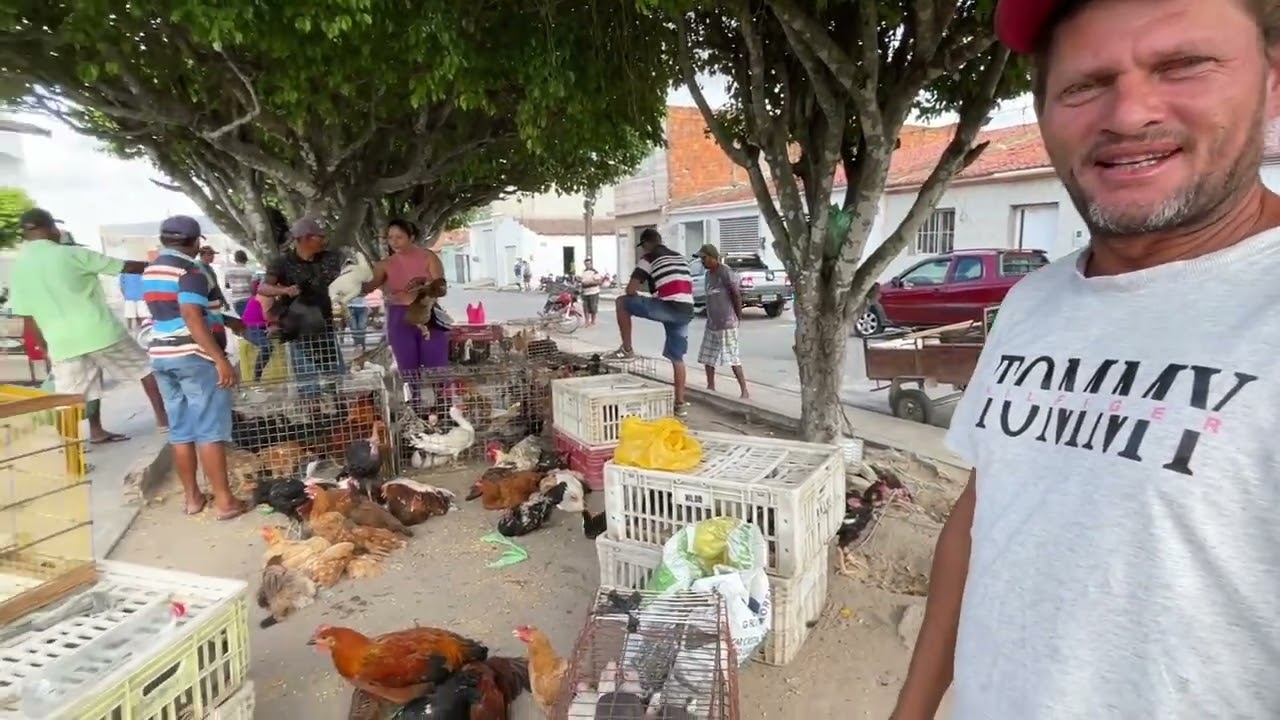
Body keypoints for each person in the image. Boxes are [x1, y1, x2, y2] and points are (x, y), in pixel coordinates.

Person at [893, 1, 1280, 719]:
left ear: (1273, 81)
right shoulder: (1034, 302)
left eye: (1182, 64)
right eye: (1083, 84)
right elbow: (983, 513)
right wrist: (912, 710)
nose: (1128, 114)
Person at [7, 208, 169, 442]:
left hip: (61, 341)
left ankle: (72, 442)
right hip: (99, 332)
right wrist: (163, 264)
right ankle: (163, 420)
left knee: (71, 394)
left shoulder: (19, 267)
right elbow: (125, 267)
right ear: (51, 227)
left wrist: (44, 347)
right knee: (144, 370)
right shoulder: (72, 254)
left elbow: (27, 316)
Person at [142, 216, 248, 520]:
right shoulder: (190, 271)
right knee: (209, 430)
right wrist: (220, 359)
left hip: (162, 356)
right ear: (195, 241)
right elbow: (190, 315)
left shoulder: (151, 270)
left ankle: (192, 498)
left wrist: (227, 321)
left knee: (180, 430)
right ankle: (225, 502)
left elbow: (171, 312)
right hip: (193, 356)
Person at [361, 219, 450, 398]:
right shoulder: (385, 264)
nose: (394, 242)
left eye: (399, 237)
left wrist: (424, 289)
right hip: (399, 317)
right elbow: (367, 287)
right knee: (408, 369)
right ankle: (415, 410)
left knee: (436, 366)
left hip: (428, 315)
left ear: (411, 237)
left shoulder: (429, 257)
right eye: (390, 237)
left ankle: (443, 407)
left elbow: (440, 288)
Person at [257, 217, 345, 398]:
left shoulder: (330, 259)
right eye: (319, 237)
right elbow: (263, 288)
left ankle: (338, 408)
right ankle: (313, 414)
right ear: (304, 238)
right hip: (297, 328)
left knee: (334, 374)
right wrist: (284, 290)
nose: (323, 240)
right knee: (307, 379)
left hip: (325, 325)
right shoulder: (281, 262)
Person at [612, 228, 693, 416]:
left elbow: (630, 290)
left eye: (643, 247)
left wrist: (641, 293)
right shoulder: (680, 257)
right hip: (686, 309)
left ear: (647, 244)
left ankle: (627, 349)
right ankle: (680, 404)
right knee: (677, 358)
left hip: (668, 306)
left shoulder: (649, 258)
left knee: (621, 303)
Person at [695, 245, 748, 399]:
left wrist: (738, 316)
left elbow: (736, 295)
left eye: (704, 258)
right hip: (712, 323)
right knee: (707, 357)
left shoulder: (724, 271)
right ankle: (710, 386)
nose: (702, 261)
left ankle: (744, 390)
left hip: (726, 322)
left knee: (733, 358)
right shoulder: (708, 275)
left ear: (713, 257)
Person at [240, 280, 274, 382]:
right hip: (251, 328)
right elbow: (267, 316)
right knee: (267, 347)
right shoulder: (265, 298)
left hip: (253, 328)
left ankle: (257, 375)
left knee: (267, 346)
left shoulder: (256, 298)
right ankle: (257, 375)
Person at [223, 250, 255, 317]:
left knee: (244, 321)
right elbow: (252, 287)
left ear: (235, 259)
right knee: (250, 322)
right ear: (245, 259)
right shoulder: (248, 271)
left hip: (236, 301)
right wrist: (254, 296)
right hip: (247, 300)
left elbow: (227, 286)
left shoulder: (229, 272)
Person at [578, 258, 602, 327]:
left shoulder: (594, 272)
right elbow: (582, 281)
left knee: (593, 307)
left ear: (591, 264)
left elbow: (599, 281)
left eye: (588, 264)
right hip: (585, 292)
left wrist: (589, 282)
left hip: (593, 292)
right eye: (586, 264)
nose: (587, 265)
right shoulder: (583, 272)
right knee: (585, 308)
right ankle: (586, 321)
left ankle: (593, 321)